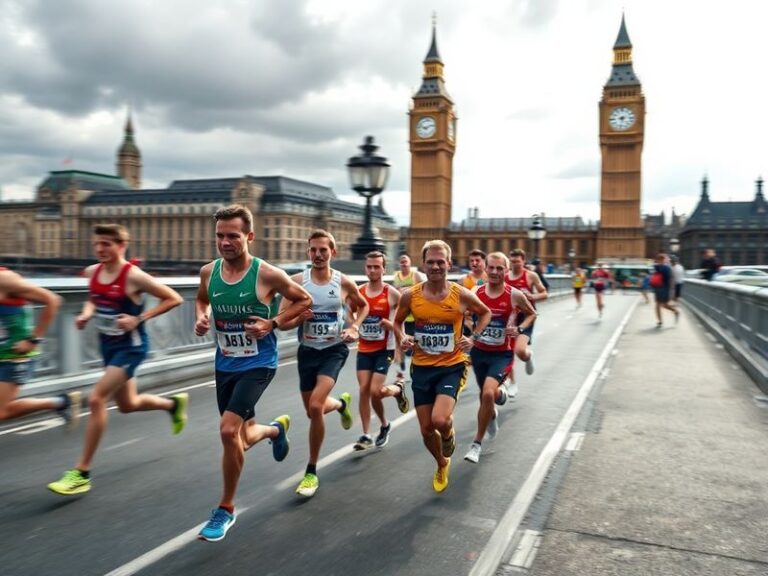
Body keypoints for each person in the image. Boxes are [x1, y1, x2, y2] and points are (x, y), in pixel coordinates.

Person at [193, 205, 312, 541]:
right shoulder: (208, 272)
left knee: (228, 431)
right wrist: (202, 317)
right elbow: (201, 300)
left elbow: (303, 301)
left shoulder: (268, 274)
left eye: (233, 235)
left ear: (249, 236)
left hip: (259, 364)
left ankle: (225, 509)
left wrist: (272, 323)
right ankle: (274, 431)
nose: (225, 242)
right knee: (241, 437)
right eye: (220, 236)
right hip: (225, 362)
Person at [48, 224, 186, 496]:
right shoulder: (92, 272)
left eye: (106, 244)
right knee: (127, 404)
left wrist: (138, 318)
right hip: (108, 346)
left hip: (131, 347)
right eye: (97, 244)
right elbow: (94, 298)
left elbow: (174, 298)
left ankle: (82, 472)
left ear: (122, 245)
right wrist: (86, 313)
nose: (100, 249)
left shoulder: (133, 276)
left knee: (97, 398)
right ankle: (172, 405)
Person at [394, 240, 491, 492]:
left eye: (440, 262)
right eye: (431, 262)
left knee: (439, 420)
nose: (436, 266)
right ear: (423, 264)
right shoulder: (410, 295)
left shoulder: (461, 294)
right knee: (426, 430)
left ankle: (448, 434)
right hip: (422, 367)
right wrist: (403, 337)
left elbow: (486, 312)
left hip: (452, 365)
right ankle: (441, 462)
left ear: (449, 263)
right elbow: (396, 322)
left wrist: (474, 338)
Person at [278, 229, 369, 498]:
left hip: (333, 350)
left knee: (316, 406)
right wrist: (299, 317)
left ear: (333, 252)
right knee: (312, 410)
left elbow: (363, 306)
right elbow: (281, 322)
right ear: (308, 252)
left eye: (323, 250)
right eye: (313, 250)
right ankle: (341, 404)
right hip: (307, 352)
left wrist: (354, 327)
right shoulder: (295, 282)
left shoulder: (343, 282)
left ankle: (311, 471)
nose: (318, 255)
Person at [464, 253, 536, 464]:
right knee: (486, 395)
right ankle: (495, 408)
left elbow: (531, 314)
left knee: (487, 393)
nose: (495, 272)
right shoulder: (475, 292)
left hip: (502, 354)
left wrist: (520, 328)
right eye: (491, 268)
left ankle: (476, 445)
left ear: (506, 270)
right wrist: (471, 326)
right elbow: (465, 314)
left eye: (499, 268)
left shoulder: (514, 295)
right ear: (485, 269)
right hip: (479, 352)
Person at [0, 268, 80, 427]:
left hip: (14, 356)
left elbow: (53, 300)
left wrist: (33, 340)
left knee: (1, 411)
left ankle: (62, 402)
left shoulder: (5, 279)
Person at [353, 251, 409, 451]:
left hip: (385, 348)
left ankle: (397, 389)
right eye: (370, 266)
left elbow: (401, 320)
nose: (373, 270)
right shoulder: (358, 292)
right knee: (364, 391)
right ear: (365, 268)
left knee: (375, 391)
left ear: (384, 269)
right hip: (364, 348)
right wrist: (352, 326)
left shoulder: (392, 293)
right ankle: (369, 433)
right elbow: (351, 314)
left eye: (377, 266)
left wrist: (392, 325)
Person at [506, 249, 547, 377]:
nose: (515, 264)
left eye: (517, 261)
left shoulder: (530, 276)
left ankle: (528, 357)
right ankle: (508, 382)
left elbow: (544, 293)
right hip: (509, 317)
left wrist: (532, 297)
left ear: (523, 261)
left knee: (519, 351)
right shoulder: (505, 276)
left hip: (526, 317)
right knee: (506, 352)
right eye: (512, 261)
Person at [392, 254, 426, 376]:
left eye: (406, 261)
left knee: (416, 341)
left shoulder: (415, 275)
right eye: (401, 262)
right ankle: (403, 367)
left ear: (410, 263)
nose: (404, 264)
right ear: (399, 264)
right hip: (403, 315)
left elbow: (423, 289)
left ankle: (416, 363)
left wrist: (408, 290)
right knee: (402, 339)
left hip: (415, 314)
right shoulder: (396, 276)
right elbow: (395, 292)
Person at [652, 253, 679, 327]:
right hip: (659, 288)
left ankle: (675, 311)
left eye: (661, 259)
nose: (660, 260)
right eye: (659, 259)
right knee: (658, 305)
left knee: (664, 305)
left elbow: (671, 280)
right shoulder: (660, 267)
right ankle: (660, 321)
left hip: (664, 289)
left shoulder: (666, 268)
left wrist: (671, 291)